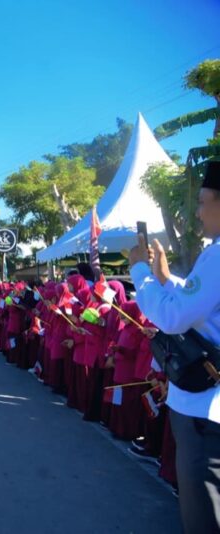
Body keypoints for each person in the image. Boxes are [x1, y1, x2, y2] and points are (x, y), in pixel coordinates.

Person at [128, 160, 220, 532]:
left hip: (204, 405)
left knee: (204, 513)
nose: (197, 213)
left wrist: (139, 272)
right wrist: (165, 278)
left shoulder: (217, 254)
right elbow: (205, 309)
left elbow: (173, 318)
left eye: (202, 202)